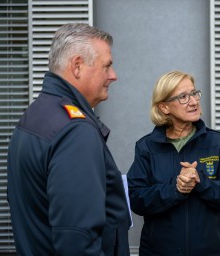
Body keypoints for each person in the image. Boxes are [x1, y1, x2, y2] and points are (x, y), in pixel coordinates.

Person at [7, 23, 131, 255]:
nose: (113, 76)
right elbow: (77, 240)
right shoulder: (75, 131)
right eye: (107, 66)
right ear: (77, 66)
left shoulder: (35, 115)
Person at [126, 70, 220, 256]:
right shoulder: (146, 147)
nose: (194, 101)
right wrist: (175, 188)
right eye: (183, 97)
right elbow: (136, 199)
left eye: (194, 93)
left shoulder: (216, 142)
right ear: (164, 107)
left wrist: (201, 182)